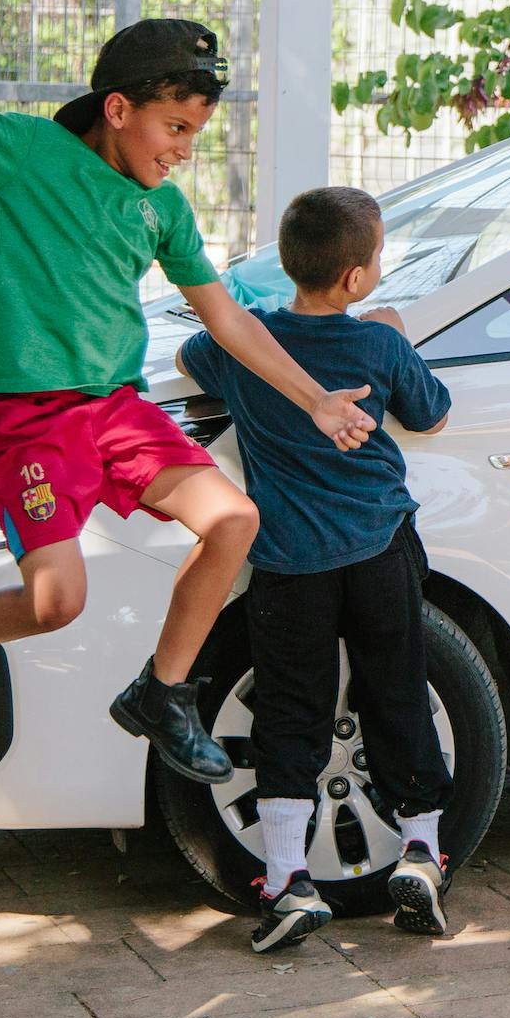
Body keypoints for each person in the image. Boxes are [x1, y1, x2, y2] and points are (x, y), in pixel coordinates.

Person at [0, 0, 376, 788]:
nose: (183, 147)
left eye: (196, 132)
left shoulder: (163, 211)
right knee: (56, 601)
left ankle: (162, 691)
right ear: (119, 109)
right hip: (22, 414)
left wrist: (316, 398)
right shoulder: (29, 153)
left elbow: (230, 321)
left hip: (113, 411)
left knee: (235, 519)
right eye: (175, 126)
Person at [177, 186, 456, 948]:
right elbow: (432, 412)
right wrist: (394, 334)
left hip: (288, 563)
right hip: (379, 550)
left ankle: (289, 878)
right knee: (396, 688)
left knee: (289, 711)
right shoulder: (379, 343)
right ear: (357, 280)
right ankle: (423, 850)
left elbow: (187, 352)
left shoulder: (249, 346)